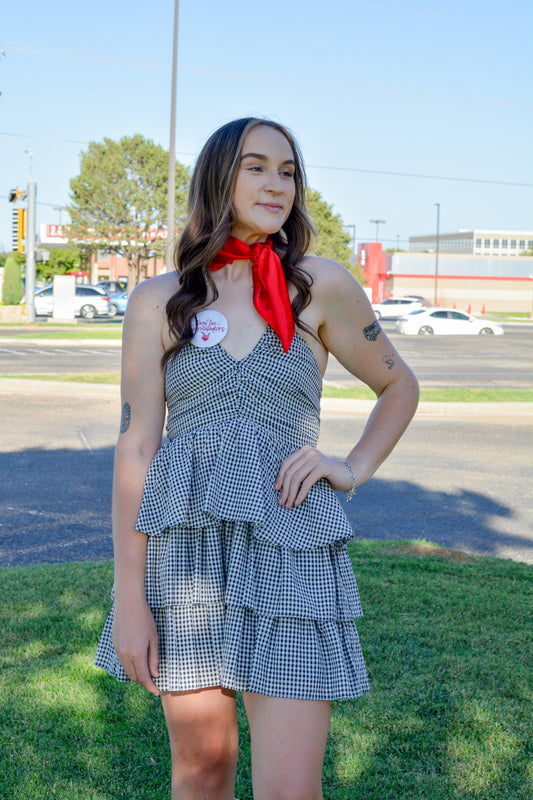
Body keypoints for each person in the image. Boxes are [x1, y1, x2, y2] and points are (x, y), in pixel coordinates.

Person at [95, 117, 419, 800]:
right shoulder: (159, 300)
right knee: (202, 769)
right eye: (256, 166)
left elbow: (398, 385)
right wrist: (130, 597)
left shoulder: (320, 285)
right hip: (186, 560)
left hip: (291, 548)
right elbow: (137, 446)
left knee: (291, 791)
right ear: (218, 178)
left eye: (289, 170)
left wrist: (351, 466)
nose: (277, 183)